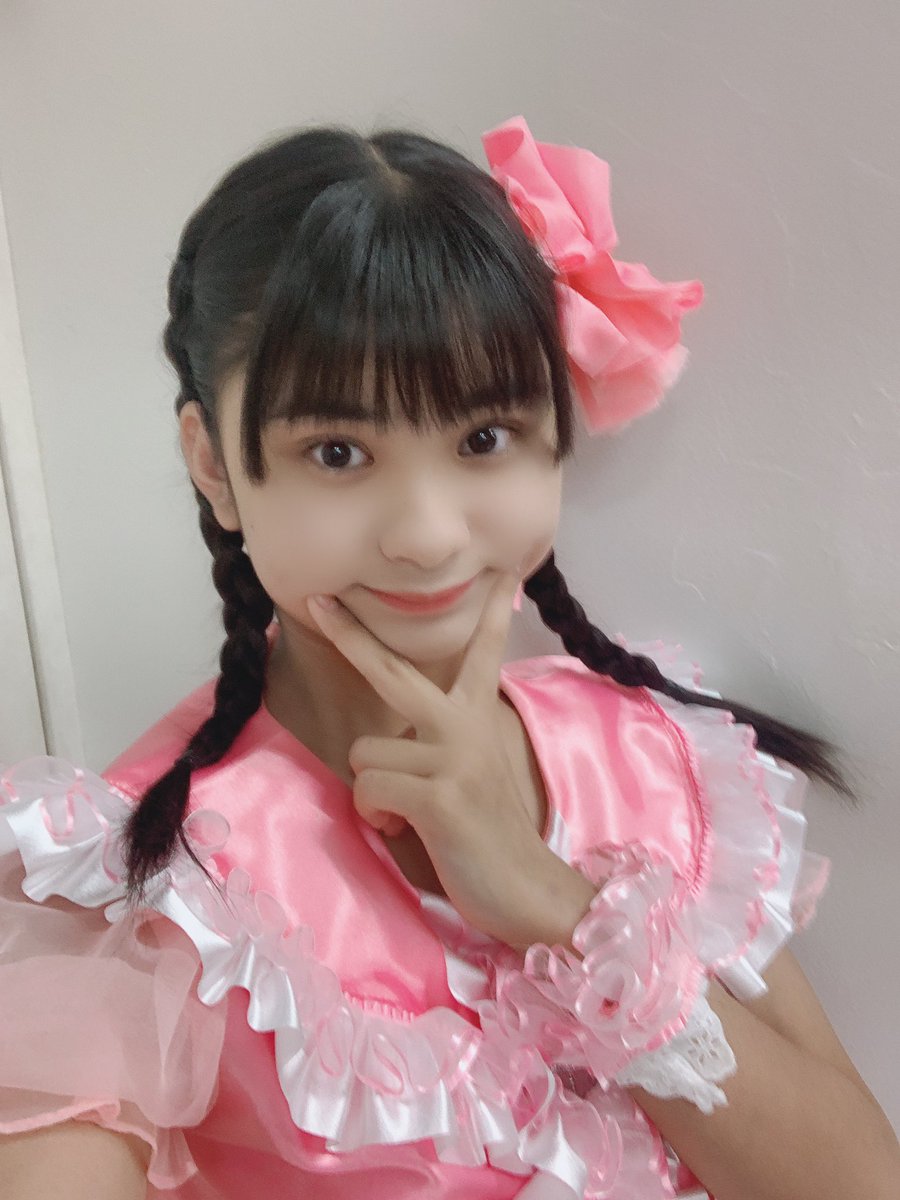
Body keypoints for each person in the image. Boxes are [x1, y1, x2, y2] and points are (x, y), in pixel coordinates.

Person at [1, 114, 897, 1200]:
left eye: (483, 438)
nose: (426, 534)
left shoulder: (648, 761)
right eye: (338, 452)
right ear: (214, 464)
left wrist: (555, 904)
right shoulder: (141, 885)